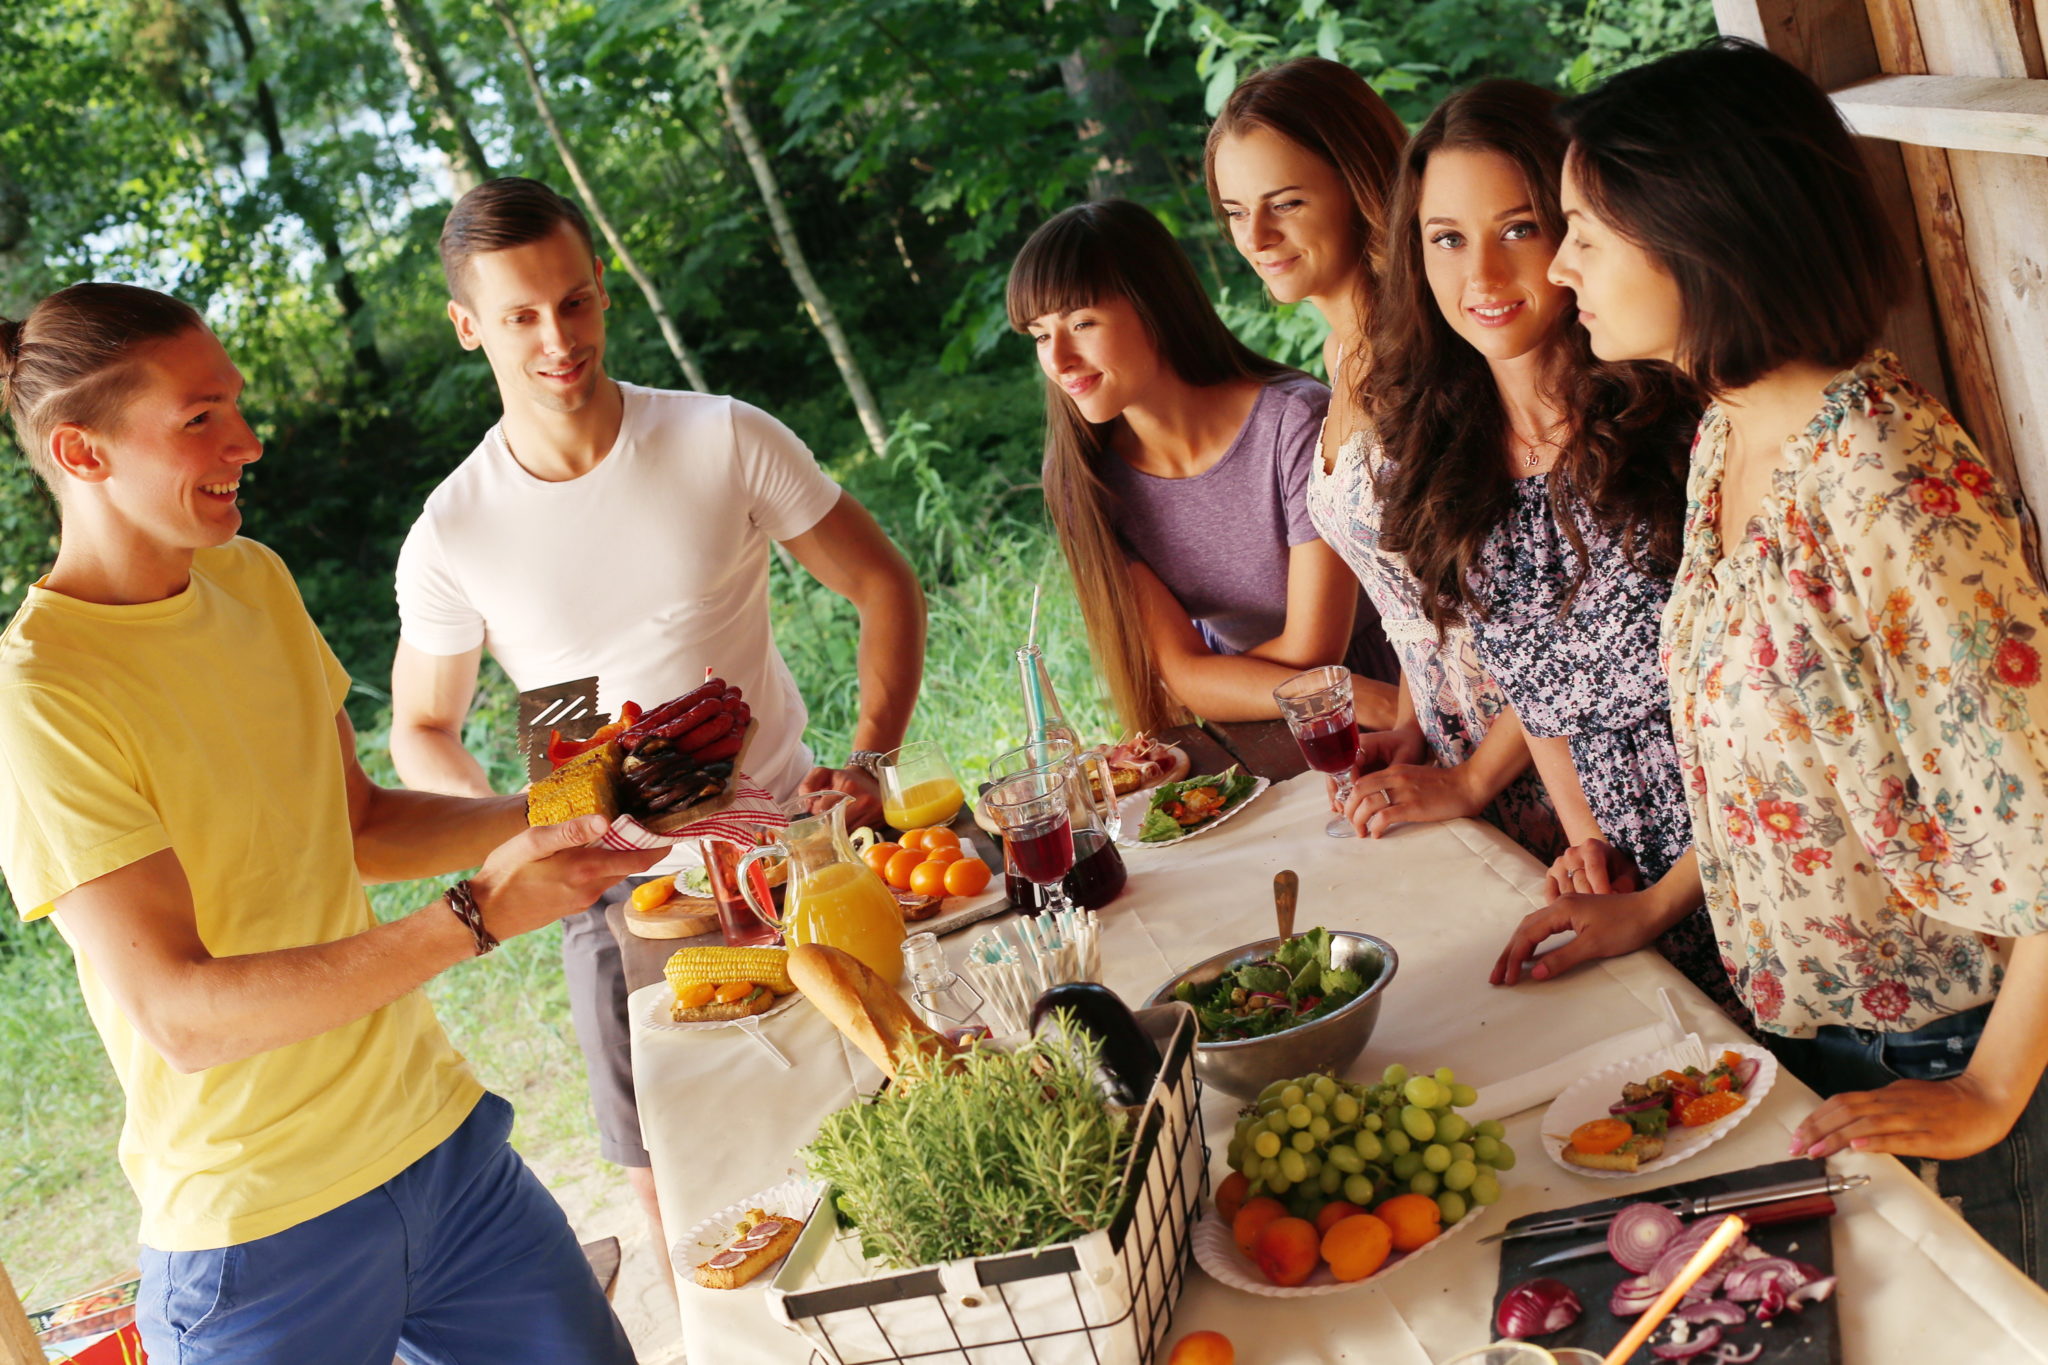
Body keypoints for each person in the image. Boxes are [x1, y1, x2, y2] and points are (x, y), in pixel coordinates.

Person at [0, 282, 656, 1362]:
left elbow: (352, 822)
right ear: (83, 454)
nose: (247, 443)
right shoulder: (43, 694)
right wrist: (480, 916)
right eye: (200, 418)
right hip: (256, 1235)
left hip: (444, 1160)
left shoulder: (251, 580)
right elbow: (180, 1013)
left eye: (237, 406)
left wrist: (561, 806)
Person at [1503, 38, 2048, 1280]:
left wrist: (1989, 1091)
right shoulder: (1731, 426)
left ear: (1702, 228)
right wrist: (1651, 904)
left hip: (1940, 1047)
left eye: (1585, 226)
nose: (1557, 263)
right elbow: (1803, 761)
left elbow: (2041, 823)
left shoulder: (1888, 488)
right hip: (1810, 1032)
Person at [389, 178, 926, 1254]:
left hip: (794, 855)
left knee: (890, 1122)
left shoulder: (718, 437)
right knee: (682, 1194)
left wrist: (868, 758)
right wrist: (529, 829)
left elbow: (882, 585)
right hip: (614, 897)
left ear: (601, 292)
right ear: (466, 327)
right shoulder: (455, 529)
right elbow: (421, 728)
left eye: (574, 302)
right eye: (519, 316)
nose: (556, 338)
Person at [1352, 78, 1740, 1025]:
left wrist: (1660, 895)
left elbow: (1767, 706)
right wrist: (1586, 845)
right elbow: (1539, 683)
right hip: (1620, 885)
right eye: (1447, 237)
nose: (1480, 274)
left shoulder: (1681, 413)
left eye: (1517, 228)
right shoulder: (1441, 452)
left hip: (1751, 853)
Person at [1206, 59, 1558, 857]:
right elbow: (1411, 595)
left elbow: (1546, 609)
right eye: (1234, 212)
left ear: (1361, 184)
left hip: (1533, 744)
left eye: (1285, 204)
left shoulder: (1441, 352)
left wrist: (1476, 772)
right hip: (1441, 739)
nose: (1255, 239)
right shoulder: (1341, 354)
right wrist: (1408, 725)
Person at [1005, 197, 1399, 736]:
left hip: (1379, 688)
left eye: (1082, 322)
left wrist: (1221, 683)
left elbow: (1314, 651)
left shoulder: (1293, 423)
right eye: (1041, 335)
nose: (1059, 360)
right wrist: (1215, 686)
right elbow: (1183, 677)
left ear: (1155, 308)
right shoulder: (1085, 477)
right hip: (1259, 715)